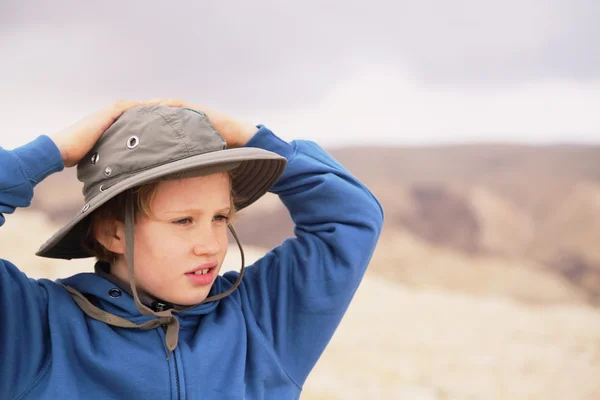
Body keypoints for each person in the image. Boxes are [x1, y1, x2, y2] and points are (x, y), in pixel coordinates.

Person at [0, 100, 384, 399]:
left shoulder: (261, 320)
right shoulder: (33, 326)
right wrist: (52, 151)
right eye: (183, 221)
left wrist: (251, 137)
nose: (211, 245)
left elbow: (351, 218)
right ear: (112, 233)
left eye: (220, 217)